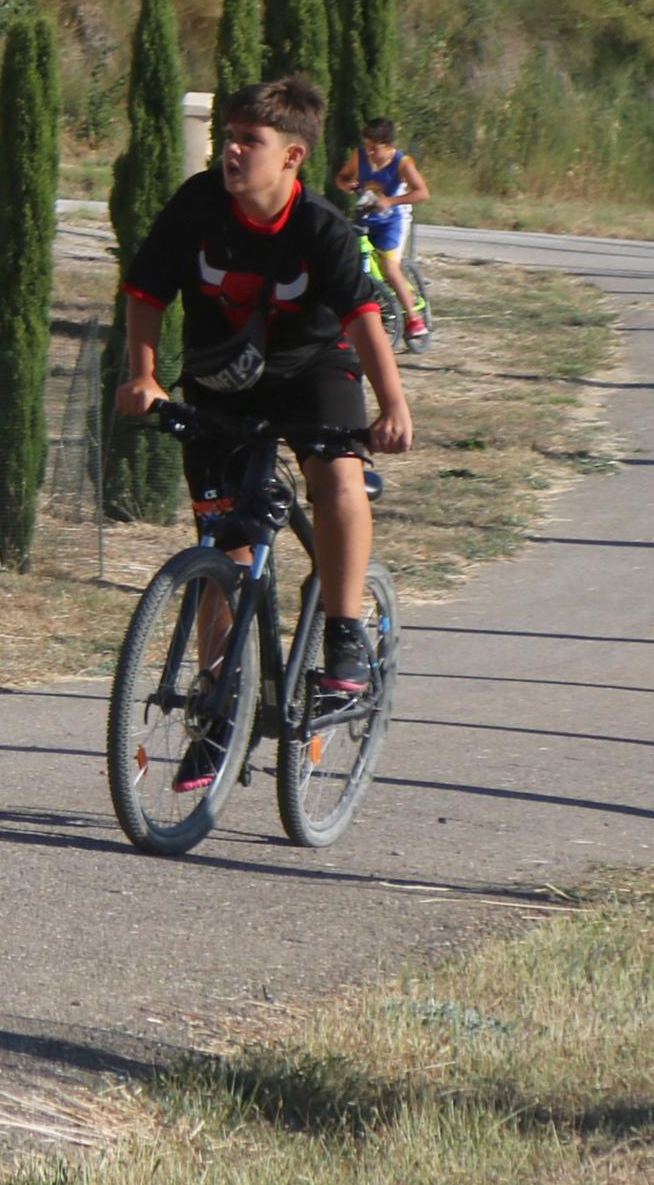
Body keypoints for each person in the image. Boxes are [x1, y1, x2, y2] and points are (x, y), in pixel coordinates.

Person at [111, 73, 416, 794]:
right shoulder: (197, 205)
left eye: (250, 140)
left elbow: (363, 319)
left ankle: (343, 636)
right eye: (228, 138)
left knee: (338, 474)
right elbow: (145, 292)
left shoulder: (319, 227)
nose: (231, 151)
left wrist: (391, 403)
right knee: (226, 548)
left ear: (292, 157)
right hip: (224, 378)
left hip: (314, 368)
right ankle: (221, 713)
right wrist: (143, 376)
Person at [344, 117, 433, 349]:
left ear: (388, 145)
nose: (370, 152)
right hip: (366, 215)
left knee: (390, 268)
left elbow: (422, 192)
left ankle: (415, 320)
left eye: (375, 148)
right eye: (367, 146)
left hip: (394, 220)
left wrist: (391, 201)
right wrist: (348, 185)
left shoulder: (402, 163)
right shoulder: (359, 156)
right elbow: (342, 178)